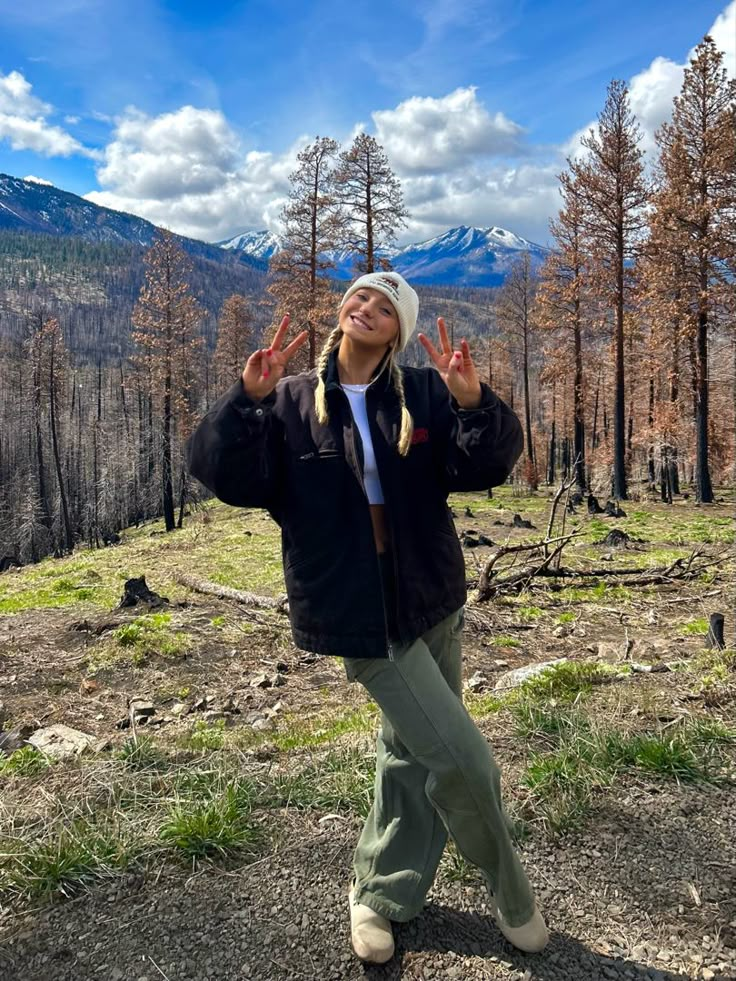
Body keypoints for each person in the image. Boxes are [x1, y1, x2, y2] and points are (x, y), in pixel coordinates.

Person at [187, 271, 548, 964]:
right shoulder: (293, 401)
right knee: (464, 758)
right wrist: (246, 399)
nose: (370, 309)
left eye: (388, 307)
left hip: (432, 596)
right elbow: (226, 474)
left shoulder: (424, 394)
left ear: (400, 330)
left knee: (408, 752)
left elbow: (487, 465)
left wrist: (473, 403)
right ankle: (513, 895)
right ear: (344, 312)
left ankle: (380, 893)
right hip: (360, 612)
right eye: (362, 298)